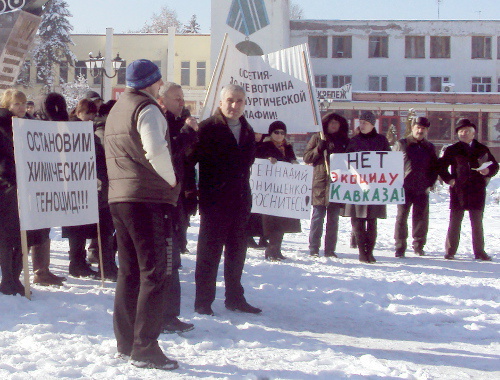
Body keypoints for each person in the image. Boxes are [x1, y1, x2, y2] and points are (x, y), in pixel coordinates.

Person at [105, 59, 180, 370]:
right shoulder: (147, 109)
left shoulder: (117, 109)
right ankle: (145, 347)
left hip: (119, 198)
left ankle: (126, 342)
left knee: (129, 271)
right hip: (147, 198)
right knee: (155, 271)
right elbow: (155, 149)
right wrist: (172, 181)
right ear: (154, 82)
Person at [190, 84, 261, 316]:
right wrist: (192, 193)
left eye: (239, 101)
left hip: (240, 201)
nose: (234, 105)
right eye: (230, 100)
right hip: (215, 201)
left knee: (237, 252)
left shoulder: (248, 130)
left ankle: (235, 298)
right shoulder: (208, 128)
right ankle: (203, 301)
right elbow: (189, 162)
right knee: (209, 254)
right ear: (221, 102)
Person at [157, 82, 197, 334]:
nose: (181, 102)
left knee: (172, 259)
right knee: (167, 260)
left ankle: (169, 314)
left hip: (175, 197)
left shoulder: (173, 121)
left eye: (182, 98)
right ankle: (164, 316)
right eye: (176, 98)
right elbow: (169, 152)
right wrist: (187, 132)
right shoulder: (159, 122)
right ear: (162, 101)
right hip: (161, 199)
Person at [438, 119, 499, 261]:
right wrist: (449, 180)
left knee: (477, 223)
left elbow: (495, 166)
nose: (463, 133)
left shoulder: (482, 149)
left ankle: (479, 251)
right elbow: (441, 167)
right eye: (460, 131)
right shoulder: (452, 149)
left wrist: (488, 171)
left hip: (477, 190)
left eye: (466, 131)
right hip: (458, 190)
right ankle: (450, 251)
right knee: (455, 222)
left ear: (473, 133)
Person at [343, 111, 391, 263]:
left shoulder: (381, 140)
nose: (361, 125)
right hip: (356, 187)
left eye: (365, 122)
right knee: (357, 220)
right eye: (360, 122)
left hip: (374, 186)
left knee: (372, 220)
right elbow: (346, 162)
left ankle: (369, 251)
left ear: (372, 124)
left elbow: (389, 161)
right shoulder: (354, 141)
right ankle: (361, 252)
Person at [303, 113, 349, 258]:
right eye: (331, 123)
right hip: (320, 184)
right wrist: (318, 149)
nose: (334, 125)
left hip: (337, 184)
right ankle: (314, 248)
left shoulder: (345, 141)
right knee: (317, 217)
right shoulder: (318, 138)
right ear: (326, 124)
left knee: (333, 220)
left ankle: (330, 249)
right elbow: (306, 157)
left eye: (336, 123)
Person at [393, 117, 439, 257]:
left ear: (426, 130)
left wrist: (430, 183)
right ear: (412, 128)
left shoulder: (429, 147)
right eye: (418, 127)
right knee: (401, 218)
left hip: (422, 188)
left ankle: (419, 245)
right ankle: (400, 246)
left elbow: (434, 167)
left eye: (423, 128)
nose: (420, 130)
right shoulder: (402, 144)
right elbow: (392, 164)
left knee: (421, 219)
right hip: (404, 188)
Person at [256, 121, 301, 261]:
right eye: (277, 132)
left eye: (282, 132)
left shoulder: (288, 147)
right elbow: (256, 161)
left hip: (284, 189)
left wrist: (294, 162)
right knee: (271, 221)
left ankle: (277, 249)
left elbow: (291, 160)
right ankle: (271, 249)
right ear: (271, 133)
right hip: (268, 189)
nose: (280, 135)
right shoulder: (264, 146)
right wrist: (266, 159)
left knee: (282, 221)